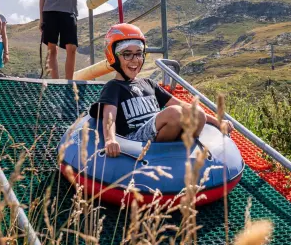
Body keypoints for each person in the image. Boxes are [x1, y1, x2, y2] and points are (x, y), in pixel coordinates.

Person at [89, 24, 233, 157]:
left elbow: (184, 106)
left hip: (159, 132)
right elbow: (109, 116)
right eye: (127, 54)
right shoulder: (113, 87)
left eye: (139, 53)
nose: (134, 59)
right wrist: (110, 140)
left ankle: (183, 155)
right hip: (136, 140)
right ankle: (160, 156)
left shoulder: (149, 84)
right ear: (113, 56)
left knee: (198, 114)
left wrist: (217, 122)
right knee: (174, 113)